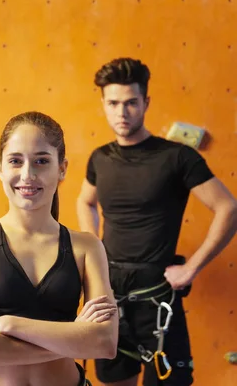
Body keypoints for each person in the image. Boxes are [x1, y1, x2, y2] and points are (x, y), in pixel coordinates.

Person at [77, 58, 237, 386]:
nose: (122, 113)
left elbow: (228, 208)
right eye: (114, 104)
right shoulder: (100, 158)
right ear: (103, 105)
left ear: (146, 102)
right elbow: (85, 201)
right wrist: (94, 248)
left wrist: (191, 268)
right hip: (109, 295)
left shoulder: (177, 158)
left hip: (158, 298)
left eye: (131, 103)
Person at [0, 111, 119, 386]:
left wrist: (7, 325)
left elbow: (105, 343)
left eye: (41, 161)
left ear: (61, 169)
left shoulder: (86, 247)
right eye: (15, 161)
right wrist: (72, 337)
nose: (28, 175)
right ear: (0, 168)